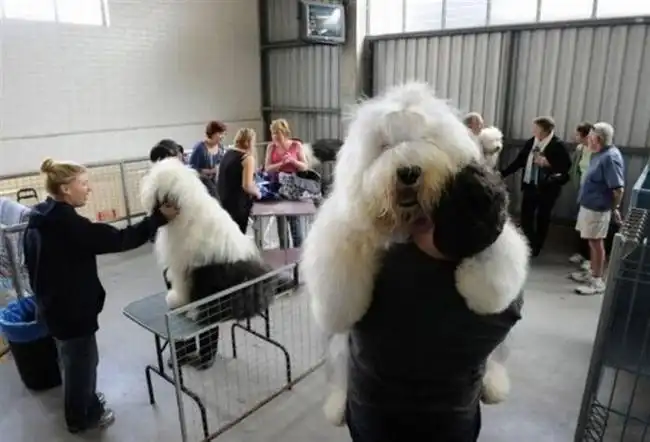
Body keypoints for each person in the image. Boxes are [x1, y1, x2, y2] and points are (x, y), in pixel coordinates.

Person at [24, 158, 178, 434]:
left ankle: (87, 401)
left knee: (72, 360)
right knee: (82, 365)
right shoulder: (69, 226)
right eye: (83, 183)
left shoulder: (40, 218)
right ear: (65, 189)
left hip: (53, 307)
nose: (89, 188)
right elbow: (120, 239)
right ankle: (80, 418)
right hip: (72, 312)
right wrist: (157, 218)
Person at [345, 222, 523, 442]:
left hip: (374, 416)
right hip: (453, 421)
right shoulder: (502, 294)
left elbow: (335, 314)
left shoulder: (371, 269)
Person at [501, 116, 571, 257]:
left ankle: (537, 246)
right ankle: (529, 243)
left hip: (547, 188)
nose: (533, 130)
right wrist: (502, 174)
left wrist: (548, 164)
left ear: (544, 130)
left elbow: (566, 167)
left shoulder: (557, 145)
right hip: (530, 185)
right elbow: (519, 161)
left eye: (536, 128)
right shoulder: (531, 142)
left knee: (542, 217)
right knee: (526, 216)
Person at [571, 122, 625, 295]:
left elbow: (618, 189)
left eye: (591, 136)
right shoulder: (599, 154)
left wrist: (614, 208)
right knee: (591, 240)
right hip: (589, 205)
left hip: (598, 208)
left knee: (596, 243)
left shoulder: (610, 158)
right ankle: (592, 272)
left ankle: (597, 281)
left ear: (598, 139)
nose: (588, 139)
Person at [264, 118, 309, 248]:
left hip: (293, 189)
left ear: (284, 132)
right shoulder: (271, 147)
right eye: (273, 133)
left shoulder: (296, 145)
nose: (274, 136)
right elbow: (267, 168)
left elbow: (305, 166)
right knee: (282, 227)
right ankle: (284, 252)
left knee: (296, 225)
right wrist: (281, 164)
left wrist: (293, 162)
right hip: (277, 188)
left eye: (277, 133)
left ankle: (298, 254)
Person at [217, 128, 261, 234]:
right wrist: (258, 193)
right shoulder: (247, 158)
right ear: (249, 142)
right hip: (237, 205)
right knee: (238, 235)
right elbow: (247, 185)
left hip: (222, 201)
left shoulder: (228, 153)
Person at [567, 123, 594, 271]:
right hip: (581, 191)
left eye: (578, 134)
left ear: (586, 135)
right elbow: (575, 168)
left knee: (591, 226)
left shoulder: (597, 151)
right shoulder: (580, 149)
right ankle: (581, 252)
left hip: (593, 194)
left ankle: (590, 258)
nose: (575, 136)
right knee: (580, 223)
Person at [189, 121, 227, 197]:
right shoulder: (199, 148)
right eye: (220, 133)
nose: (222, 136)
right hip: (202, 188)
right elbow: (192, 169)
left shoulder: (220, 147)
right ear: (212, 133)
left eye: (224, 134)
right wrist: (211, 171)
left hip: (217, 187)